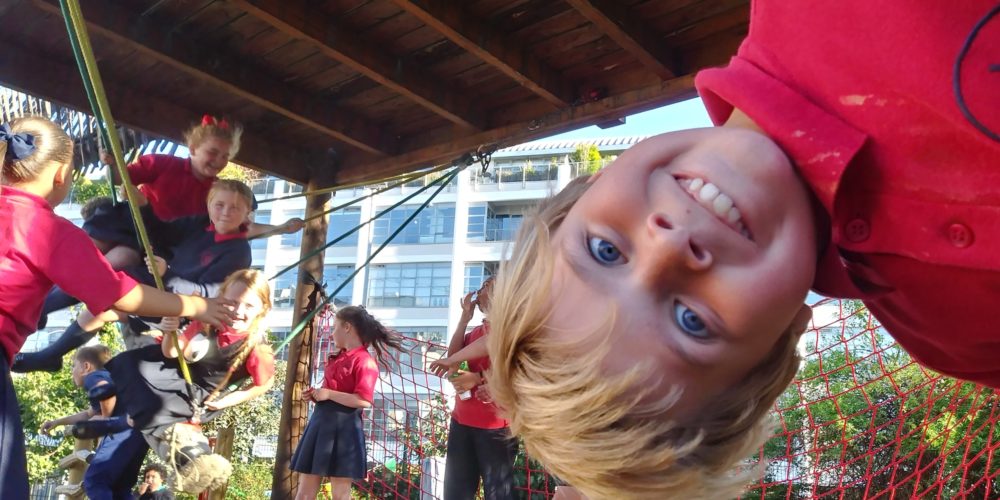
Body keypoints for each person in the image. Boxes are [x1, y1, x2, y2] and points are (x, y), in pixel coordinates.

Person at [455, 2, 1000, 498]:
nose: (668, 246)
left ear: (580, 197)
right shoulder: (961, 334)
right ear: (778, 346)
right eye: (692, 321)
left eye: (603, 250)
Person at [0, 116, 236, 498]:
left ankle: (48, 320)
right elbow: (121, 292)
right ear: (62, 174)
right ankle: (50, 326)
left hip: (159, 251)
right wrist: (196, 305)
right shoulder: (48, 227)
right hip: (142, 246)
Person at [17, 178, 256, 373]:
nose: (225, 213)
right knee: (99, 304)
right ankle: (49, 350)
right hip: (159, 283)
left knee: (109, 283)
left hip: (177, 307)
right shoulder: (201, 224)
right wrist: (143, 206)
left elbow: (212, 293)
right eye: (219, 205)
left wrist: (169, 275)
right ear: (209, 205)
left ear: (246, 214)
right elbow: (164, 233)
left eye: (235, 208)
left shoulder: (237, 251)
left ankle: (38, 310)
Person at [106, 269, 276, 495]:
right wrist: (170, 332)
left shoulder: (257, 348)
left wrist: (228, 401)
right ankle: (184, 456)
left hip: (201, 396)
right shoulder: (207, 322)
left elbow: (264, 383)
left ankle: (195, 457)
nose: (237, 311)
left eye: (248, 306)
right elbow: (170, 353)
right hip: (177, 376)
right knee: (132, 366)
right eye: (232, 302)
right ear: (221, 297)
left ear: (262, 309)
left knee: (161, 410)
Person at [85, 114, 302, 272]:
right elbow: (118, 179)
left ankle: (84, 282)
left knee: (121, 260)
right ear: (192, 149)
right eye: (212, 153)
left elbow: (236, 227)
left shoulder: (217, 193)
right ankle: (64, 270)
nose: (219, 161)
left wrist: (279, 228)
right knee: (93, 242)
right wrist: (112, 165)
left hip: (158, 243)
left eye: (225, 156)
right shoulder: (164, 164)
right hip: (135, 222)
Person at [290, 305, 403, 500]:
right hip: (320, 424)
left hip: (345, 431)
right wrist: (317, 394)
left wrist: (328, 394)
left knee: (340, 495)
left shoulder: (364, 361)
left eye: (335, 327)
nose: (332, 333)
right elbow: (330, 391)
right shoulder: (339, 356)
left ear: (347, 327)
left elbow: (363, 400)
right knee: (304, 494)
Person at [40, 345, 150, 500]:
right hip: (140, 434)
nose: (72, 371)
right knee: (119, 489)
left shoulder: (94, 377)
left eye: (74, 366)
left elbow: (105, 391)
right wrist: (57, 422)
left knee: (94, 481)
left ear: (86, 366)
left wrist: (106, 420)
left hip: (122, 433)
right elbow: (88, 413)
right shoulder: (111, 375)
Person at [441, 278, 517, 500]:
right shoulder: (477, 330)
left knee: (499, 493)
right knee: (456, 492)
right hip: (461, 421)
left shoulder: (512, 329)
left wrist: (478, 378)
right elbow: (453, 358)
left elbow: (518, 370)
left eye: (486, 286)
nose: (479, 291)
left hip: (497, 427)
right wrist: (464, 319)